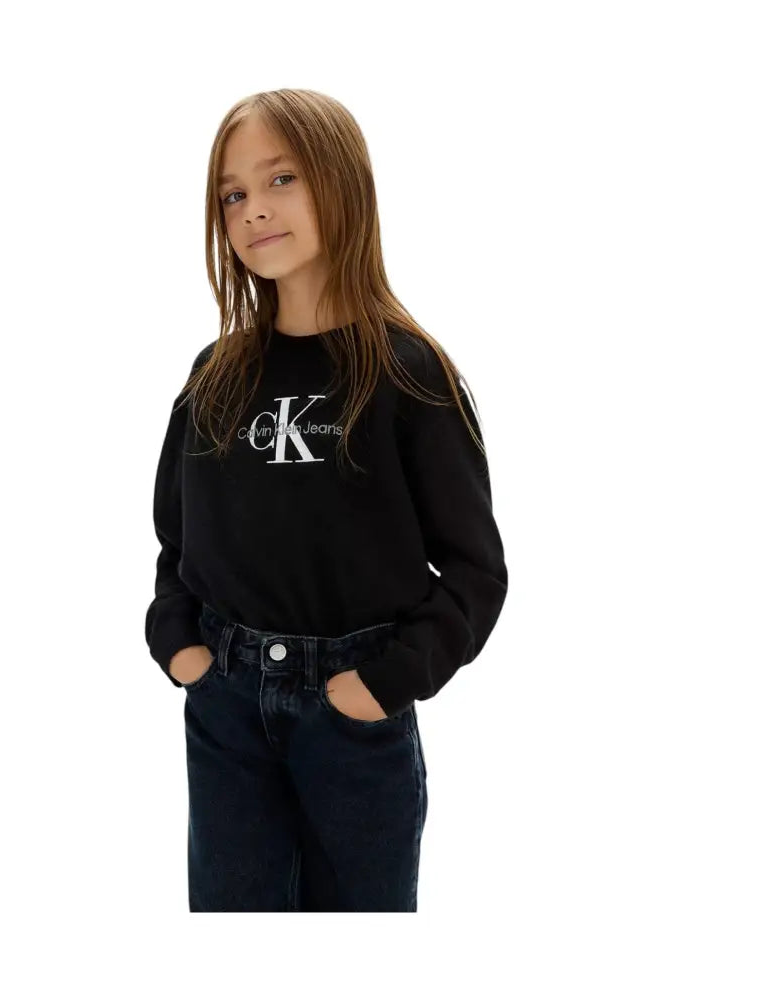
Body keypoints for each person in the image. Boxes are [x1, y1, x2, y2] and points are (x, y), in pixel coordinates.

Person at [144, 89, 508, 911]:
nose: (253, 209)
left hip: (353, 717)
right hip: (227, 713)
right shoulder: (213, 377)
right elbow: (177, 541)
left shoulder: (410, 375)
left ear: (343, 184)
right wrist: (179, 646)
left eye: (282, 179)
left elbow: (475, 571)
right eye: (232, 194)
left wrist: (384, 682)